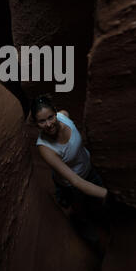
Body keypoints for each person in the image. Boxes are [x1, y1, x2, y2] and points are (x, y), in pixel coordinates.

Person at [30, 94, 110, 253]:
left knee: (99, 207)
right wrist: (109, 194)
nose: (48, 124)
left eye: (50, 117)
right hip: (72, 184)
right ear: (36, 124)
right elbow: (76, 182)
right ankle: (95, 247)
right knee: (81, 214)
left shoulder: (64, 115)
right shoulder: (45, 148)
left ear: (56, 112)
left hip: (89, 169)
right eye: (42, 121)